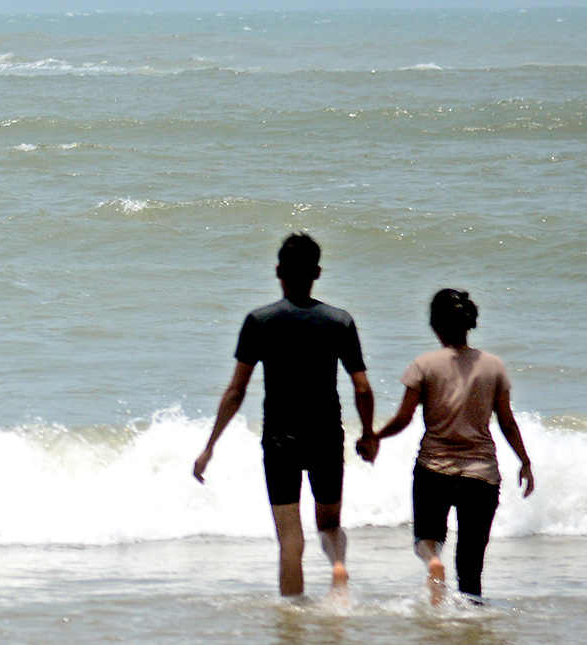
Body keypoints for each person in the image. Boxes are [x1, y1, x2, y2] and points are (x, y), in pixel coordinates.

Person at [194, 233, 375, 599]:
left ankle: (292, 621)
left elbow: (236, 391)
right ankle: (338, 566)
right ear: (318, 273)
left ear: (278, 271)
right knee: (329, 524)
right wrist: (368, 434)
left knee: (290, 541)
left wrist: (210, 446)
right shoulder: (339, 322)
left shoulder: (259, 321)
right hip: (326, 437)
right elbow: (362, 388)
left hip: (280, 442)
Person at [364, 289, 533, 605]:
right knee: (471, 566)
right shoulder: (494, 366)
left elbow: (402, 419)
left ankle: (432, 563)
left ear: (435, 325)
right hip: (482, 476)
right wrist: (524, 461)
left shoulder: (424, 364)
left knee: (426, 540)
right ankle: (471, 626)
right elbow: (507, 422)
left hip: (434, 470)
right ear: (468, 323)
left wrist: (375, 436)